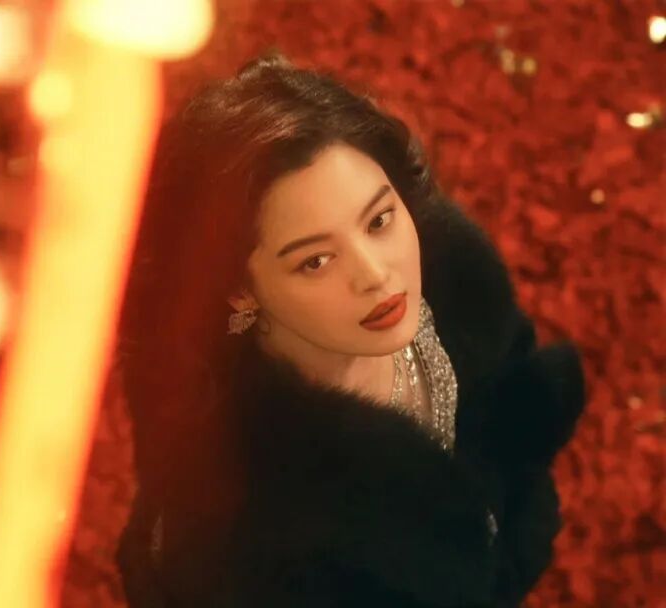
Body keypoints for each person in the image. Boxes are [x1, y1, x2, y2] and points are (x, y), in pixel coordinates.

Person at [113, 52, 587, 607]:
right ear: (237, 289)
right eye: (315, 261)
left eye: (379, 220)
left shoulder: (458, 283)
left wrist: (511, 547)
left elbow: (516, 443)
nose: (375, 274)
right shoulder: (234, 503)